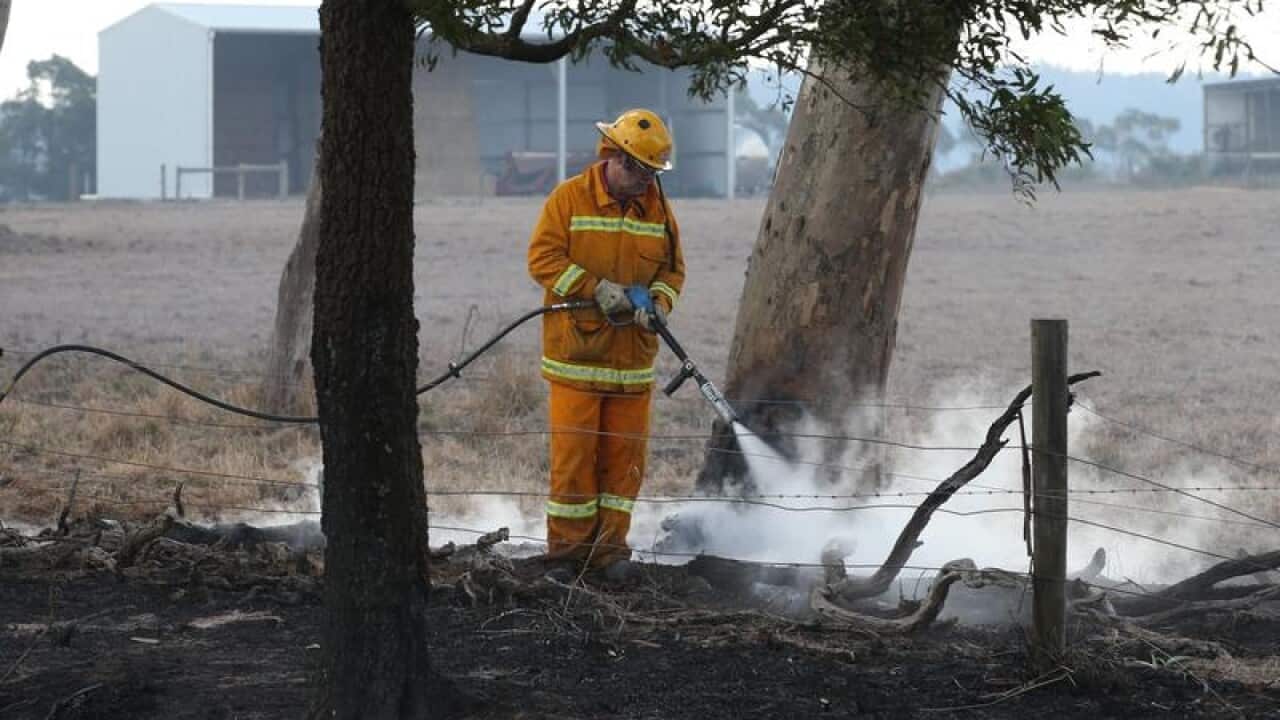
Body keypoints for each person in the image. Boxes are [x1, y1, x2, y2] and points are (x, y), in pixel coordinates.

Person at [527, 108, 686, 583]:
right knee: (574, 465)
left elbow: (672, 272)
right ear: (612, 156)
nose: (644, 182)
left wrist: (657, 302)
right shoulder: (569, 199)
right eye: (636, 169)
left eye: (651, 173)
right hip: (577, 358)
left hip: (633, 365)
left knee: (624, 469)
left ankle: (610, 554)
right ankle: (567, 558)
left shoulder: (657, 209)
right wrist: (594, 287)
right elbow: (542, 257)